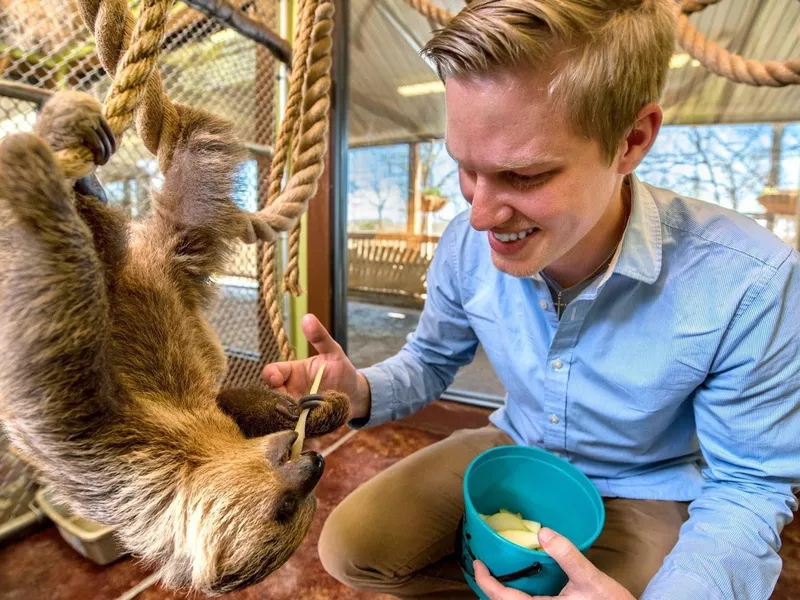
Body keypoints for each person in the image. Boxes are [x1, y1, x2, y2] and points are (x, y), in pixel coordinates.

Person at [262, 1, 800, 598]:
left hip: (643, 483)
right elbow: (431, 359)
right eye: (465, 168)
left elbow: (750, 484)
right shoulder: (465, 243)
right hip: (517, 443)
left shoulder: (750, 278)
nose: (481, 214)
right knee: (351, 549)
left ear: (632, 140)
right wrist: (359, 389)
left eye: (524, 176)